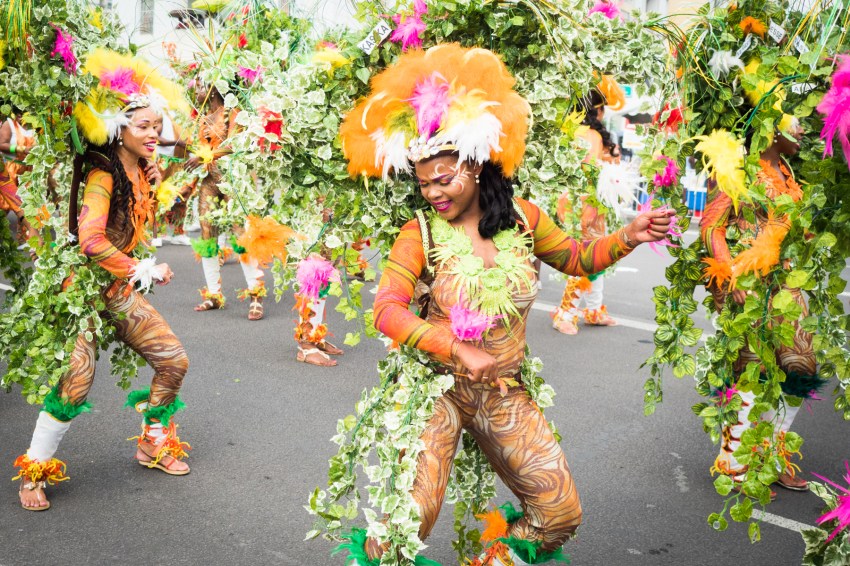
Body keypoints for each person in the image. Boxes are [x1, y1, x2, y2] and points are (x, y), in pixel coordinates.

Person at [325, 44, 674, 564]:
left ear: (476, 165)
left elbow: (579, 258)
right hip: (435, 392)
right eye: (423, 183)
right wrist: (455, 349)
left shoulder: (525, 219)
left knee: (559, 514)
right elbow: (388, 311)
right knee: (406, 522)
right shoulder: (418, 232)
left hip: (502, 392)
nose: (433, 193)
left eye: (443, 179)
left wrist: (630, 235)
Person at [13, 52, 192, 511]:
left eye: (157, 126)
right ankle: (34, 470)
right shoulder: (102, 172)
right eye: (145, 127)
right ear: (120, 128)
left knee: (173, 360)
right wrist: (140, 268)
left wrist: (166, 183)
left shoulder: (142, 169)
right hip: (82, 291)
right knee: (77, 377)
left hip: (115, 289)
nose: (155, 133)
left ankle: (152, 441)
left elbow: (155, 217)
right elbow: (91, 241)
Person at [701, 119, 824, 493]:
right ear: (772, 128)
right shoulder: (736, 168)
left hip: (785, 284)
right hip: (745, 283)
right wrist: (732, 274)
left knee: (801, 365)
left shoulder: (787, 171)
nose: (804, 132)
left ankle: (771, 453)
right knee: (751, 371)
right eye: (797, 124)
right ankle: (734, 464)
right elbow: (711, 227)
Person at [186, 86, 265, 320]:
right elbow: (193, 149)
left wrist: (205, 156)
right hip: (210, 181)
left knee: (241, 235)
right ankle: (213, 294)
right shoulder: (202, 117)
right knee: (207, 235)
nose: (197, 88)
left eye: (201, 84)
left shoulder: (232, 110)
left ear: (213, 89)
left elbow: (236, 145)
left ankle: (256, 294)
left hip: (233, 180)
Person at [552, 87, 622, 334]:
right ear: (597, 110)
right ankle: (565, 313)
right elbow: (593, 171)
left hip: (570, 200)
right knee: (587, 258)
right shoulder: (592, 135)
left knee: (595, 259)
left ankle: (593, 310)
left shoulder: (567, 131)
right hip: (587, 202)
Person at [0, 109, 37, 244]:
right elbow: (2, 145)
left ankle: (27, 241)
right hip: (11, 169)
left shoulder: (36, 126)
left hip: (28, 172)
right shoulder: (9, 124)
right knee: (5, 206)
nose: (22, 116)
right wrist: (21, 149)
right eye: (20, 113)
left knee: (26, 204)